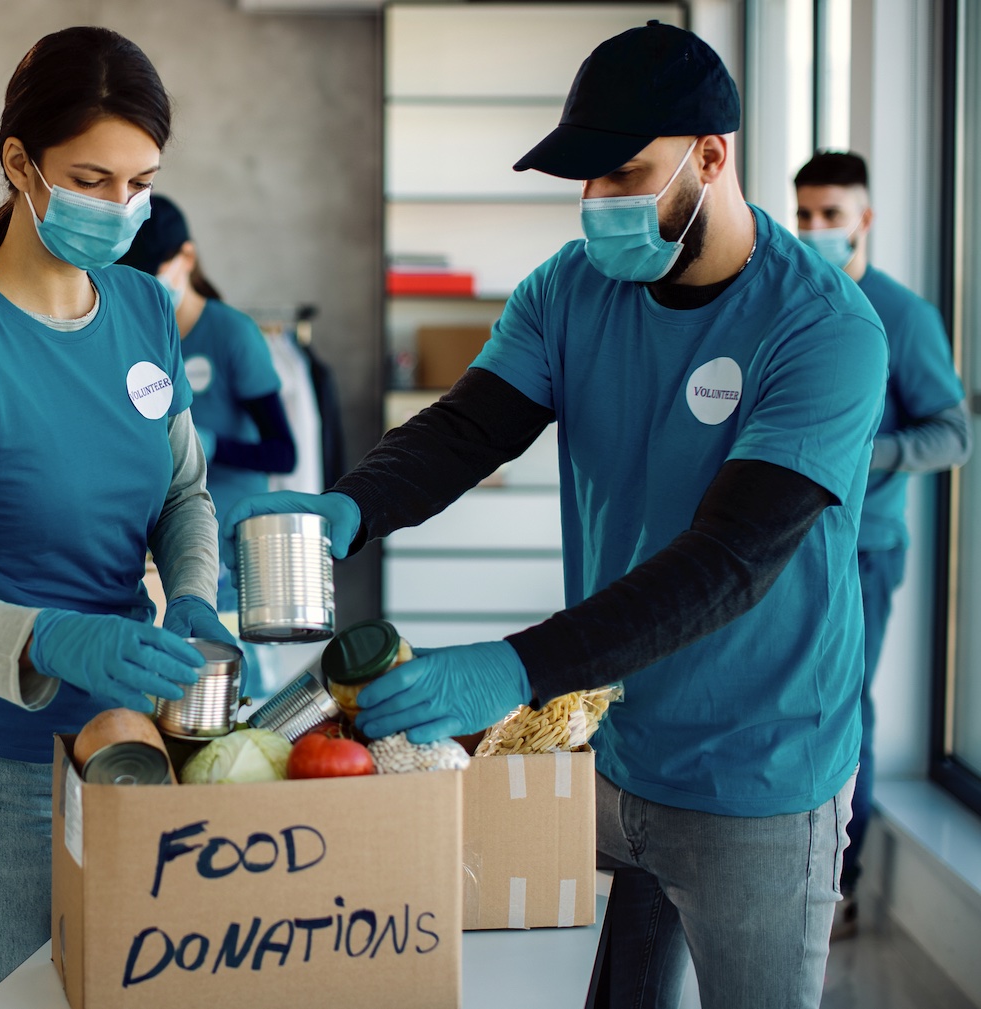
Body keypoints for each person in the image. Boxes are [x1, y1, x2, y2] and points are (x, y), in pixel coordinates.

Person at [225, 23, 885, 1009]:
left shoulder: (822, 330)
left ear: (711, 156)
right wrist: (347, 510)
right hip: (620, 748)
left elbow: (728, 561)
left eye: (624, 174)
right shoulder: (568, 292)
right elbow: (465, 430)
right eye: (583, 182)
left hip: (763, 770)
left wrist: (512, 668)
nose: (598, 207)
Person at [0, 28, 234, 1009]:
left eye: (141, 182)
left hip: (136, 742)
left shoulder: (141, 309)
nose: (121, 208)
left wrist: (196, 596)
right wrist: (56, 638)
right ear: (18, 163)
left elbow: (181, 493)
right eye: (92, 178)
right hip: (2, 773)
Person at [793, 150, 971, 938]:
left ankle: (838, 889)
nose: (815, 228)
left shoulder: (905, 316)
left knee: (842, 713)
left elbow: (951, 434)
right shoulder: (795, 299)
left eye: (831, 215)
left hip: (862, 550)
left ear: (864, 219)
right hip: (784, 543)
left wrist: (866, 454)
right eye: (803, 214)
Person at [118, 194, 296, 620]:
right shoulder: (132, 336)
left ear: (188, 257)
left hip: (225, 547)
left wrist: (211, 447)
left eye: (153, 274)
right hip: (153, 549)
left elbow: (284, 453)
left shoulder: (232, 334)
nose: (146, 289)